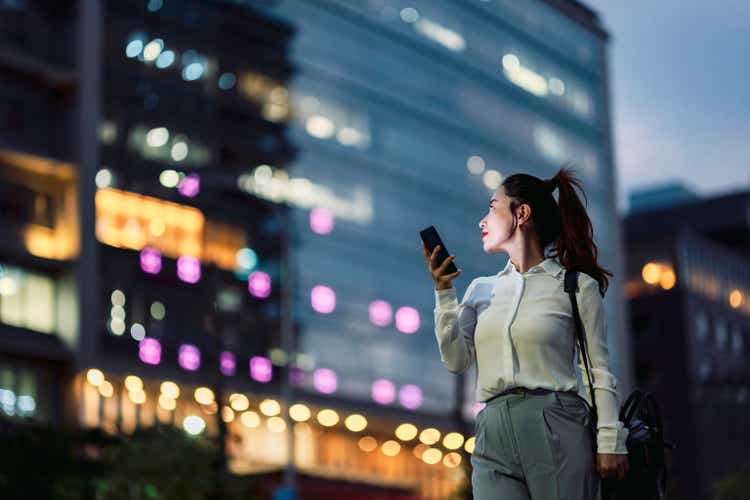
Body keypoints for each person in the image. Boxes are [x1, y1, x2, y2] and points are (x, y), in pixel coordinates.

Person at [420, 167, 629, 499]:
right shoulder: (480, 290)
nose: (482, 220)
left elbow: (597, 371)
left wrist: (609, 440)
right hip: (492, 430)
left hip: (557, 422)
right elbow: (456, 361)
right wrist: (444, 293)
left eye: (492, 207)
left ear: (522, 213)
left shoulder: (575, 287)